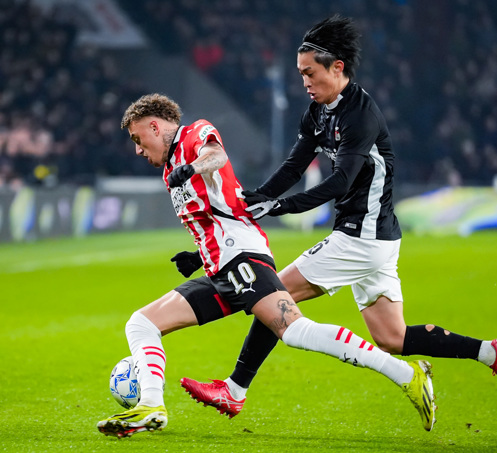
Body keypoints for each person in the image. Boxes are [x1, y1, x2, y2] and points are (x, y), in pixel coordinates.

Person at [178, 14, 497, 421]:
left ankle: (234, 390)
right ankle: (492, 353)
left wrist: (281, 207)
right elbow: (294, 166)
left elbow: (341, 181)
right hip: (376, 238)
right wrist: (260, 198)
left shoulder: (360, 115)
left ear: (337, 67)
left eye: (310, 73)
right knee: (392, 336)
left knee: (273, 296)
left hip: (362, 236)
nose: (304, 82)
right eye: (300, 74)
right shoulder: (318, 112)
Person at [96, 93, 437, 438]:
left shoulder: (193, 135)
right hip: (220, 265)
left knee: (295, 331)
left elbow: (216, 155)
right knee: (142, 323)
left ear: (155, 126)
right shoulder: (170, 168)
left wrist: (194, 167)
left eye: (138, 138)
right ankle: (151, 406)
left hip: (241, 258)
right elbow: (220, 211)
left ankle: (406, 375)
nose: (137, 149)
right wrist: (198, 256)